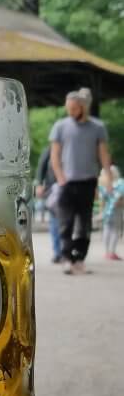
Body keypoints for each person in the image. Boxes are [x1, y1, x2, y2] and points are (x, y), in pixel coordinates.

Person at [50, 89, 112, 274]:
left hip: (88, 182)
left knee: (85, 225)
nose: (70, 111)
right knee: (65, 223)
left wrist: (108, 176)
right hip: (67, 183)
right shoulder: (60, 126)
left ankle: (79, 259)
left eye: (74, 108)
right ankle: (67, 258)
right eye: (68, 108)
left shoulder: (97, 127)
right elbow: (55, 155)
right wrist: (60, 177)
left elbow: (103, 154)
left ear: (83, 107)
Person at [35, 146, 61, 263]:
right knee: (55, 220)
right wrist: (40, 184)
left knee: (68, 221)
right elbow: (41, 167)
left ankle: (65, 251)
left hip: (70, 188)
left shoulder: (73, 146)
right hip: (52, 189)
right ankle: (57, 252)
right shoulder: (50, 149)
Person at [99, 165, 124, 261]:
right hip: (116, 211)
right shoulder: (120, 183)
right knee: (115, 231)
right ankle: (112, 252)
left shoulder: (103, 185)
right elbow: (121, 199)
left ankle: (107, 252)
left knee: (107, 230)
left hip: (106, 211)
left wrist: (102, 211)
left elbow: (102, 200)